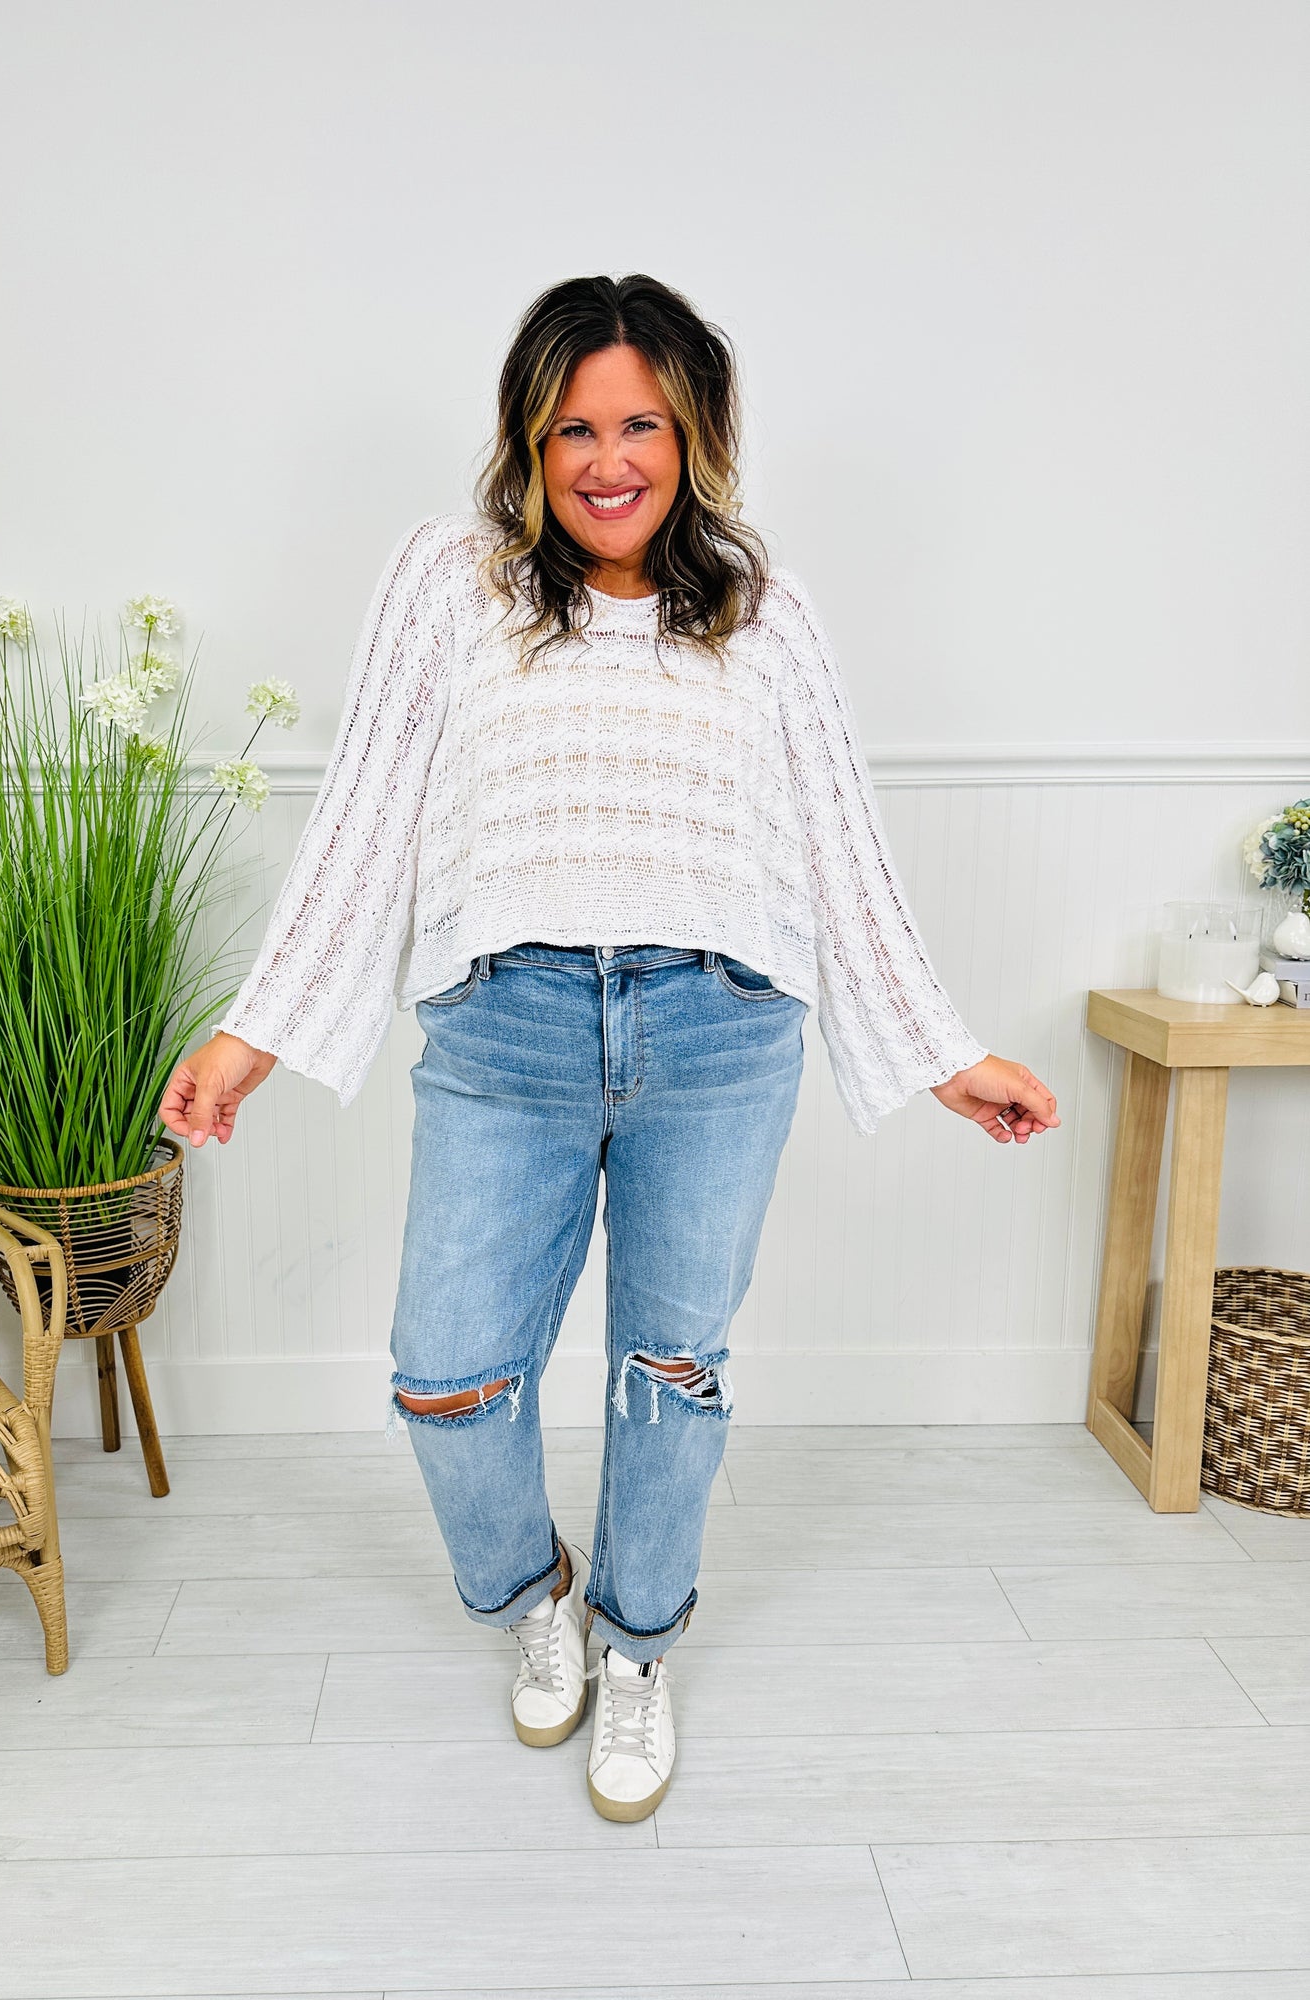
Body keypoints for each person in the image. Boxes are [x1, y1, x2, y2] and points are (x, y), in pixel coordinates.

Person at [159, 273, 1060, 1824]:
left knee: (671, 1370)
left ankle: (638, 1647)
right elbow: (366, 811)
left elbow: (840, 842)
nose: (607, 459)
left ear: (696, 434)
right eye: (573, 427)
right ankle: (539, 1595)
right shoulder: (451, 583)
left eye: (641, 424)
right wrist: (257, 1031)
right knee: (446, 1372)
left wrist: (942, 1053)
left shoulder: (765, 612)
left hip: (719, 1028)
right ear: (529, 438)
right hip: (503, 1024)